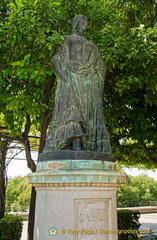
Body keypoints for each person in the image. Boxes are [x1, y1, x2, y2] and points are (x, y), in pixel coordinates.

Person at [44, 14, 111, 153]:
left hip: (88, 82)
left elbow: (100, 66)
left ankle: (88, 144)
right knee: (72, 111)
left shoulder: (91, 45)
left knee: (87, 114)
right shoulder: (66, 39)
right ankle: (75, 142)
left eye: (86, 22)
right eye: (81, 22)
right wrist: (60, 72)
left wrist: (94, 77)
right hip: (70, 78)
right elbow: (58, 57)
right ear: (75, 23)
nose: (84, 25)